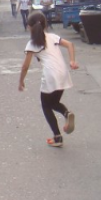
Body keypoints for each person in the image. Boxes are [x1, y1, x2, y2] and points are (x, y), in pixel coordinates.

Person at [19, 12, 79, 147]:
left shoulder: (32, 43)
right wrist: (72, 61)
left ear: (29, 27)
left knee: (46, 106)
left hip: (51, 75)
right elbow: (70, 44)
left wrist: (21, 81)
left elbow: (25, 66)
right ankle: (66, 113)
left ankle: (57, 138)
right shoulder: (53, 37)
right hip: (63, 73)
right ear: (45, 24)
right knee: (54, 102)